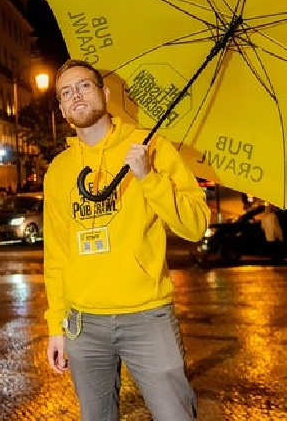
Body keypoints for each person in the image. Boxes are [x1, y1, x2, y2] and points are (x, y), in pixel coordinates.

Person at [43, 59, 209, 421]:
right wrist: (56, 326)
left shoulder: (150, 146)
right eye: (66, 93)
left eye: (84, 86)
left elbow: (195, 226)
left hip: (147, 315)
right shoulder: (58, 171)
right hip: (83, 323)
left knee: (175, 414)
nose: (76, 96)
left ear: (104, 93)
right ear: (61, 107)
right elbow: (56, 254)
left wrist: (149, 178)